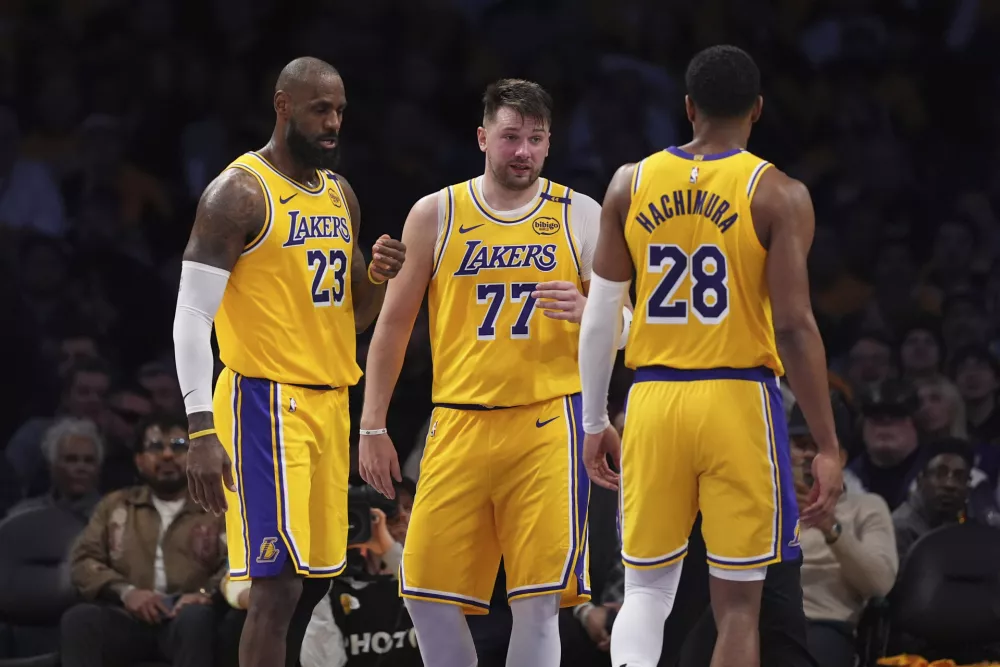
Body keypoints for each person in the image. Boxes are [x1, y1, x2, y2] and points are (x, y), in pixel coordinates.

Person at [578, 45, 843, 667]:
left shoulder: (628, 181)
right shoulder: (778, 193)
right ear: (757, 110)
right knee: (738, 610)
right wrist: (828, 445)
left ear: (688, 106)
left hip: (653, 398)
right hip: (737, 399)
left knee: (644, 592)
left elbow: (599, 317)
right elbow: (797, 329)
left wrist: (595, 420)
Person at [357, 78, 615, 667]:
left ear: (549, 144)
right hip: (458, 422)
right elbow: (392, 327)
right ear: (482, 138)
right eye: (510, 137)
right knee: (422, 590)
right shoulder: (436, 212)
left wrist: (596, 313)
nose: (522, 150)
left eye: (535, 138)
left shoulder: (580, 213)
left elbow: (629, 320)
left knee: (538, 600)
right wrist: (372, 424)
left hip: (548, 423)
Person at [171, 56, 406, 667]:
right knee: (274, 589)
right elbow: (191, 317)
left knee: (319, 581)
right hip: (264, 402)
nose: (332, 123)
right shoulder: (238, 193)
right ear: (283, 106)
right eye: (319, 110)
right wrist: (200, 427)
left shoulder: (339, 193)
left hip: (330, 401)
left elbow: (353, 315)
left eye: (340, 112)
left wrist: (377, 278)